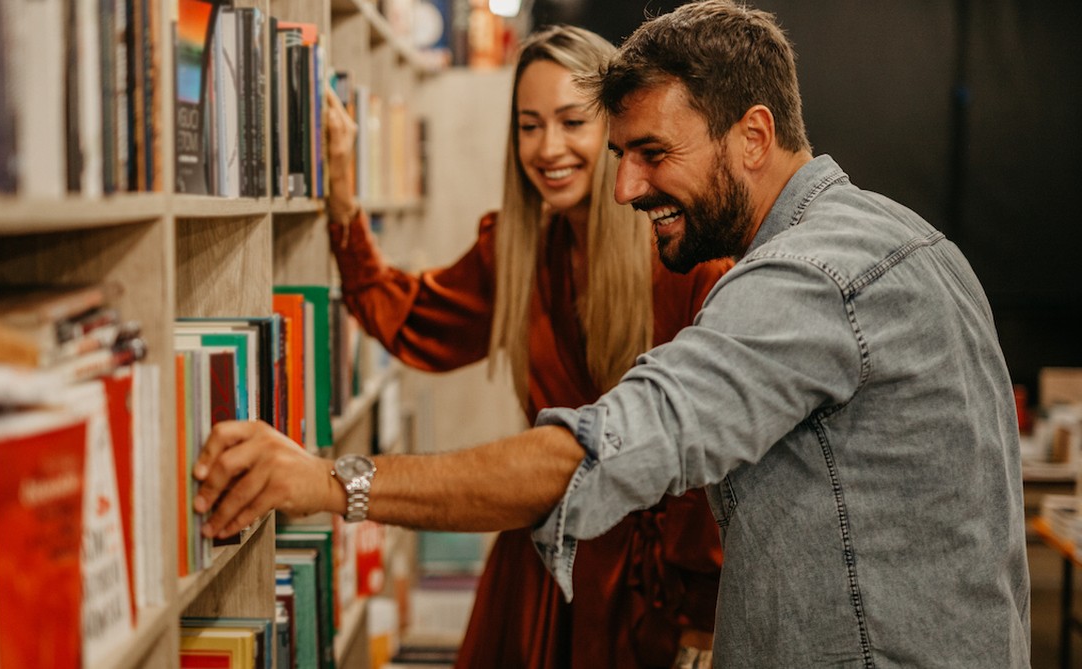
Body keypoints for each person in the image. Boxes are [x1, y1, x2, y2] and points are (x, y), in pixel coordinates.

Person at [193, 2, 1031, 666]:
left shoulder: (801, 280)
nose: (624, 185)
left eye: (651, 152)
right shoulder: (903, 237)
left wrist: (333, 483)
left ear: (754, 135)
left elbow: (606, 447)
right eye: (617, 151)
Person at [320, 25, 730, 669]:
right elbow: (411, 318)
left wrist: (701, 617)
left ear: (616, 131)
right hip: (540, 567)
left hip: (654, 594)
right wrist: (342, 202)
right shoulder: (516, 250)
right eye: (528, 125)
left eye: (573, 122)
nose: (548, 148)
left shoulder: (686, 258)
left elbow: (712, 462)